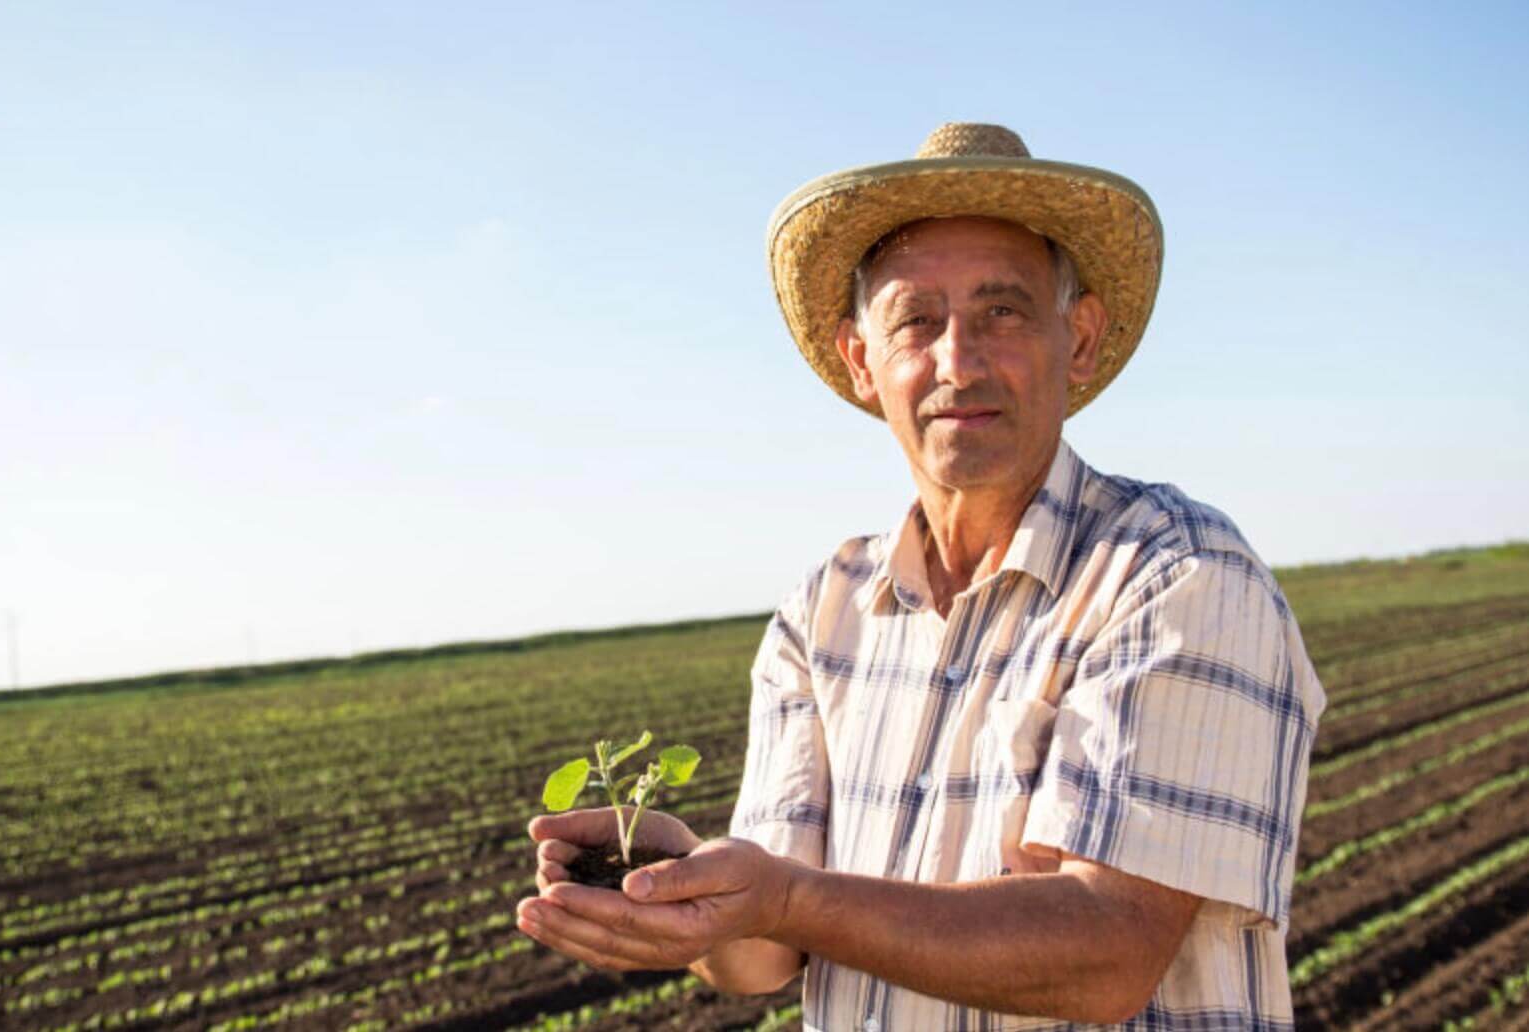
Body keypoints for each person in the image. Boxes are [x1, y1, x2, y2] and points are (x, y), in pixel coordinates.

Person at [519, 122, 1326, 1030]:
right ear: (862, 362)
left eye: (1003, 312)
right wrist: (681, 885)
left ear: (1082, 341)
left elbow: (1106, 948)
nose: (958, 361)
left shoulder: (1174, 572)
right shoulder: (825, 611)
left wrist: (781, 896)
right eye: (916, 321)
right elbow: (755, 957)